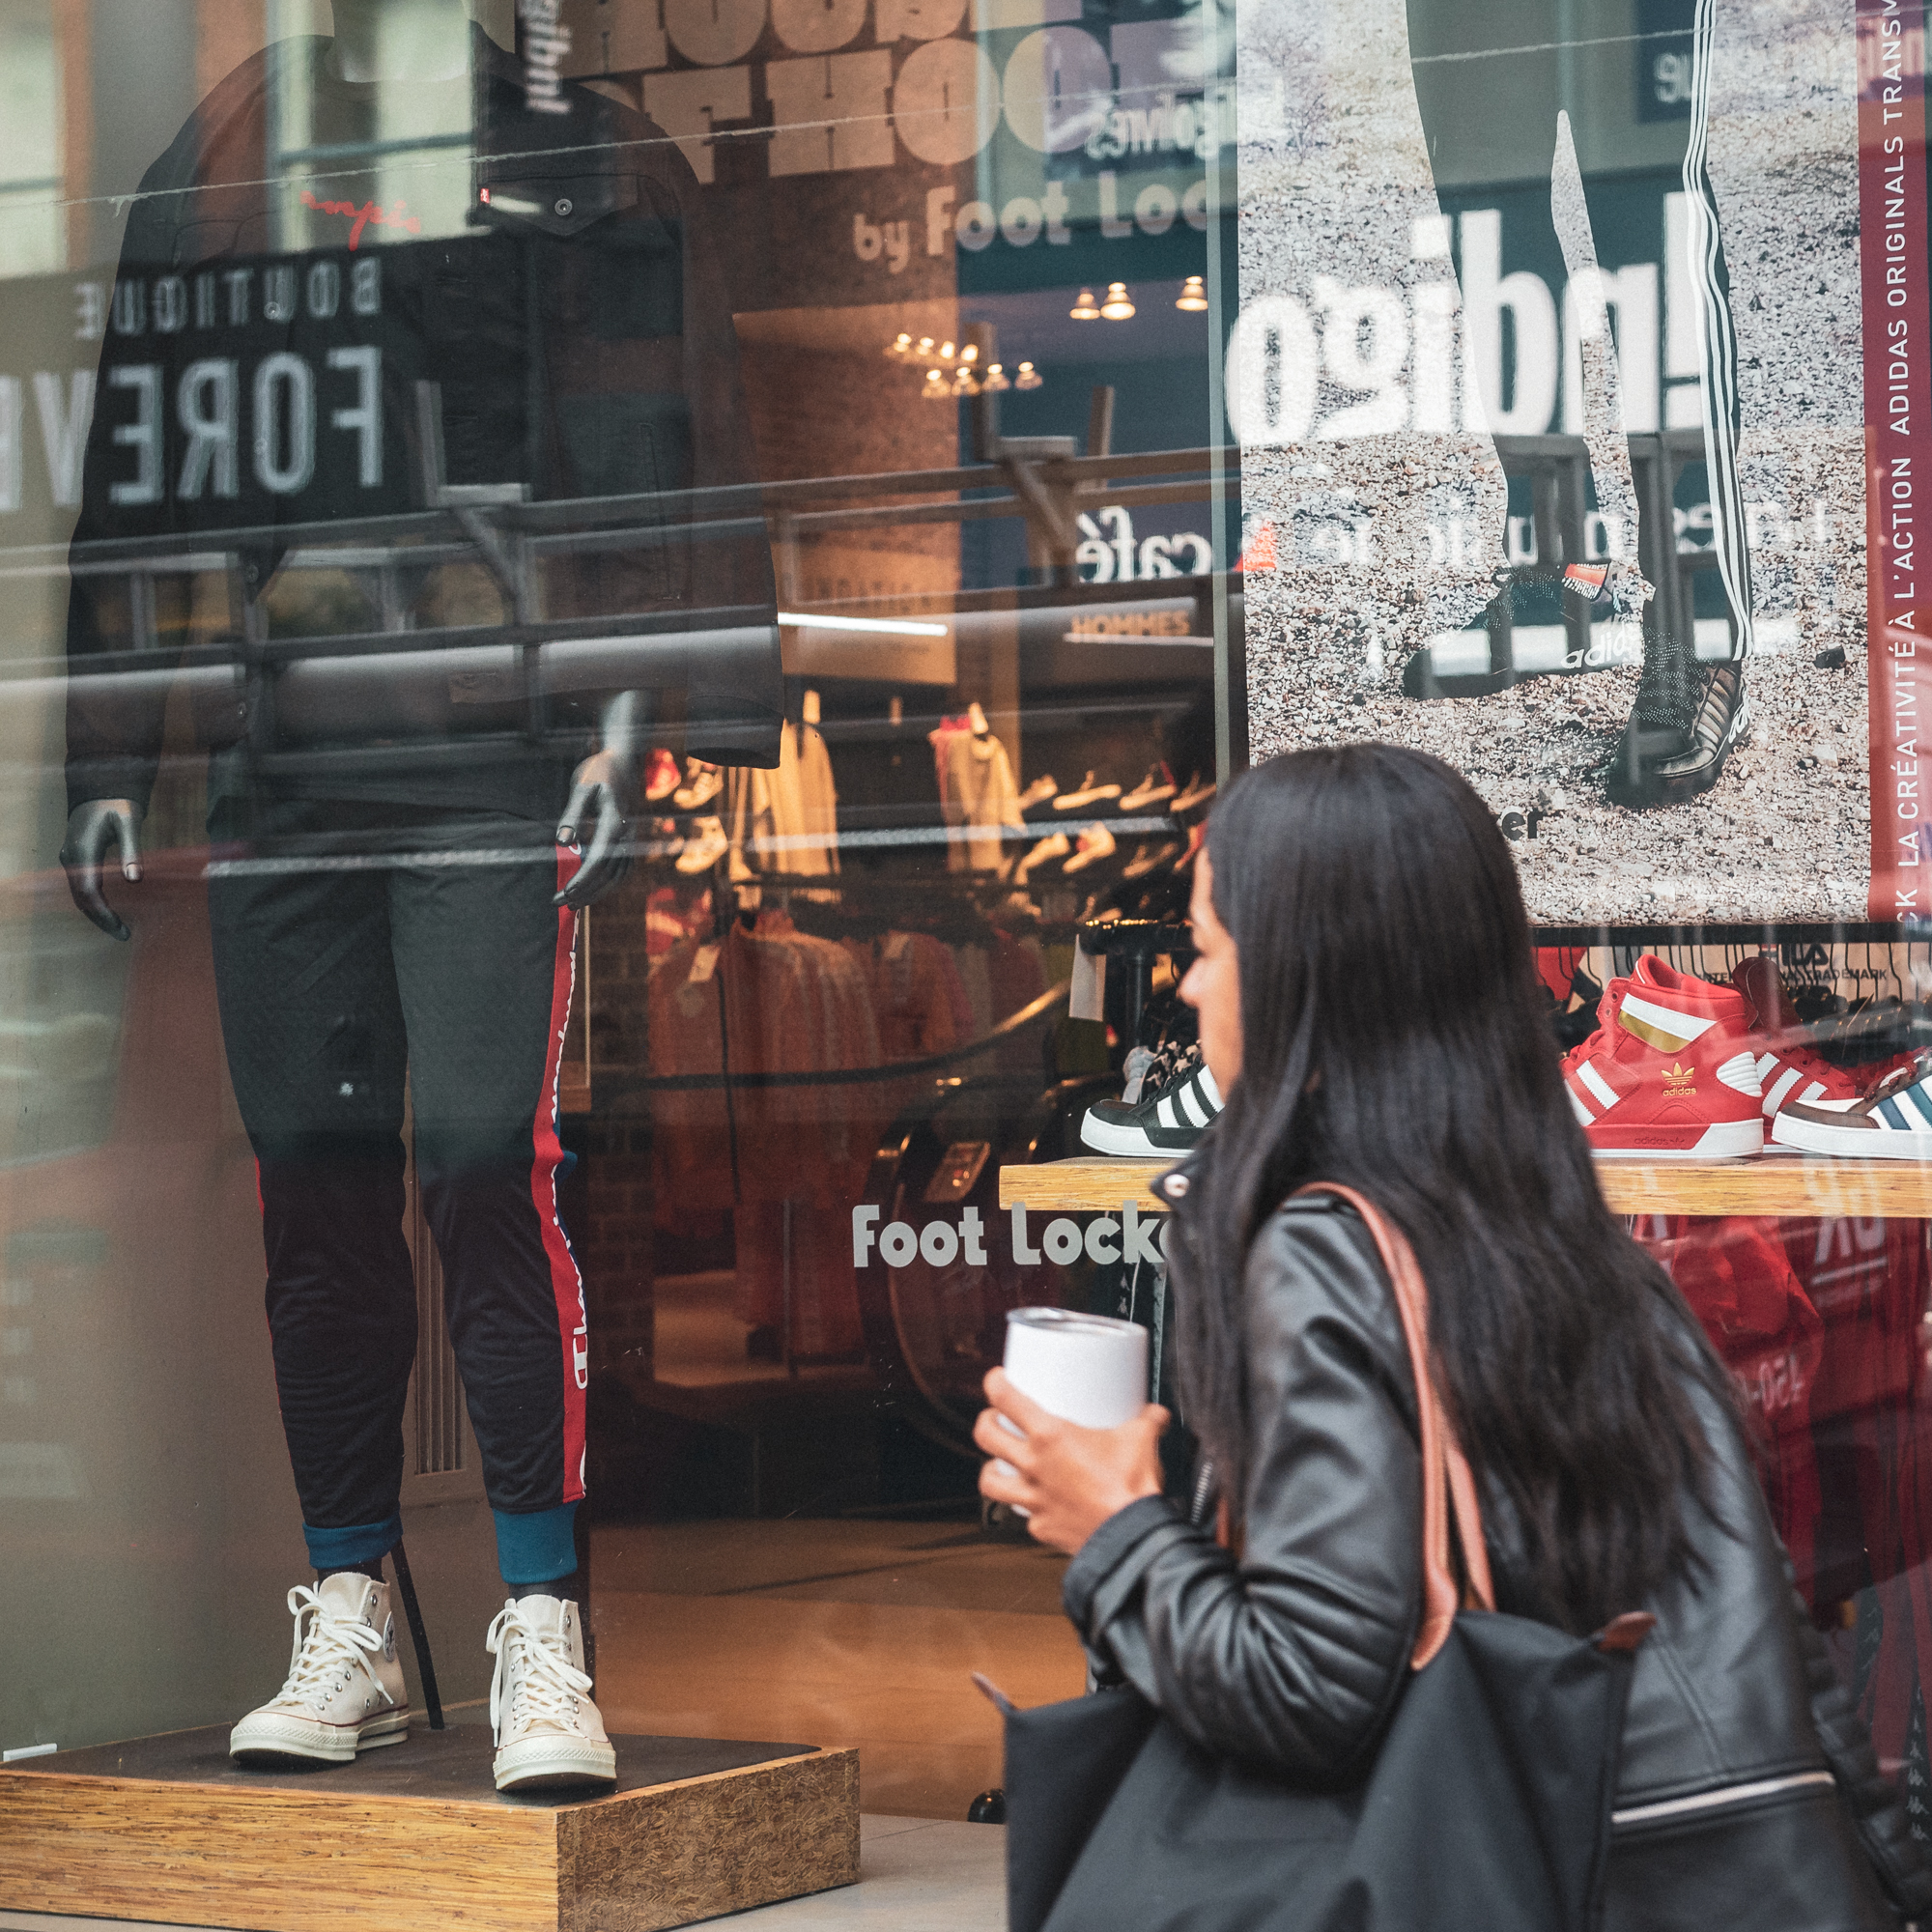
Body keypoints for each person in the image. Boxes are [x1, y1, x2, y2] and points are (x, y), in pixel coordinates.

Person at [58, 0, 780, 1793]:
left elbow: (669, 426)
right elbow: (143, 450)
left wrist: (651, 707)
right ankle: (351, 1607)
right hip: (281, 759)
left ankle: (544, 1624)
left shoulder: (583, 149)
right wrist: (105, 746)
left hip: (487, 744)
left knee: (476, 1157)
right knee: (313, 1178)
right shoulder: (224, 166)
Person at [976, 744, 1921, 1926]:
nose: (1183, 988)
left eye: (1208, 949)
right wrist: (1880, 1873)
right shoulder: (1573, 1238)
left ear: (1300, 979)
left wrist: (1110, 1527)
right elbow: (1762, 1624)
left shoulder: (1325, 1250)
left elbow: (1309, 1684)